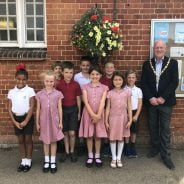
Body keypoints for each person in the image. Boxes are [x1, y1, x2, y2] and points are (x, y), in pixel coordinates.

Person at [141, 40, 179, 170]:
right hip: (151, 102)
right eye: (157, 47)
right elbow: (143, 83)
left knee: (164, 129)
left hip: (165, 102)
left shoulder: (173, 63)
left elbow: (174, 82)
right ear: (153, 48)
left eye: (161, 47)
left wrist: (163, 97)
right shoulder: (147, 64)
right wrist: (151, 97)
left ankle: (166, 155)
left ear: (165, 49)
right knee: (152, 126)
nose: (159, 49)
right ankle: (155, 148)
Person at [79, 65, 108, 168]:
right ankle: (90, 155)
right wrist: (93, 115)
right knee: (90, 136)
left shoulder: (104, 87)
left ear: (100, 75)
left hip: (99, 114)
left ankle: (97, 156)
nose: (95, 76)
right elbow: (85, 102)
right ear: (89, 75)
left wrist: (98, 115)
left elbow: (103, 102)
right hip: (88, 114)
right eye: (92, 74)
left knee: (97, 136)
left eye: (97, 74)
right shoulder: (85, 87)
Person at [8, 64, 35, 172]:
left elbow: (32, 106)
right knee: (20, 140)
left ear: (27, 80)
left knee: (28, 139)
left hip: (27, 117)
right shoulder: (11, 92)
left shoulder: (30, 90)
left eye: (24, 80)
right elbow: (9, 108)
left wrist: (26, 121)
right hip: (16, 118)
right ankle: (23, 160)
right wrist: (14, 121)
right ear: (15, 79)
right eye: (19, 79)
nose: (21, 82)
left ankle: (28, 161)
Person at [36, 71, 64, 173]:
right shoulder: (39, 94)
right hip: (44, 121)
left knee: (53, 141)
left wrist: (61, 122)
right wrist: (37, 122)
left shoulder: (58, 94)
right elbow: (38, 109)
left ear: (54, 81)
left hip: (54, 121)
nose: (49, 83)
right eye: (47, 81)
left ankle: (53, 161)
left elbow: (60, 108)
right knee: (45, 141)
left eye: (51, 81)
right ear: (44, 81)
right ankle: (46, 161)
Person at [105, 71, 132, 168]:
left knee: (121, 138)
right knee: (112, 138)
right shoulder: (110, 93)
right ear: (112, 81)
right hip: (112, 118)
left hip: (123, 118)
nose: (117, 81)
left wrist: (130, 119)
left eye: (119, 79)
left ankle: (119, 158)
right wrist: (106, 121)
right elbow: (107, 107)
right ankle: (114, 158)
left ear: (123, 81)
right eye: (115, 79)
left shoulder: (127, 92)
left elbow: (129, 106)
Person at [56, 61, 82, 162]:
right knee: (65, 132)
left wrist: (79, 112)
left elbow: (78, 99)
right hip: (63, 110)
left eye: (71, 72)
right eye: (66, 72)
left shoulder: (76, 84)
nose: (69, 75)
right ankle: (66, 152)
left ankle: (72, 151)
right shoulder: (59, 85)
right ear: (62, 73)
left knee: (72, 132)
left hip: (73, 109)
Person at [124, 70, 142, 158]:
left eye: (133, 77)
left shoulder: (138, 90)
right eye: (129, 77)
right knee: (126, 130)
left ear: (136, 79)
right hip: (125, 112)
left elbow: (140, 104)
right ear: (126, 79)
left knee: (134, 131)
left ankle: (132, 146)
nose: (131, 79)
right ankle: (126, 147)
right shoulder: (123, 89)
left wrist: (136, 115)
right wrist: (126, 114)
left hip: (135, 112)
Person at [100, 61, 115, 157]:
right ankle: (106, 145)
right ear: (105, 69)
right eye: (107, 67)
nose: (109, 69)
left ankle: (112, 145)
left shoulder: (117, 79)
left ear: (114, 69)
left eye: (111, 67)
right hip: (104, 107)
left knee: (113, 127)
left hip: (115, 108)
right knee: (105, 127)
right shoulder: (101, 80)